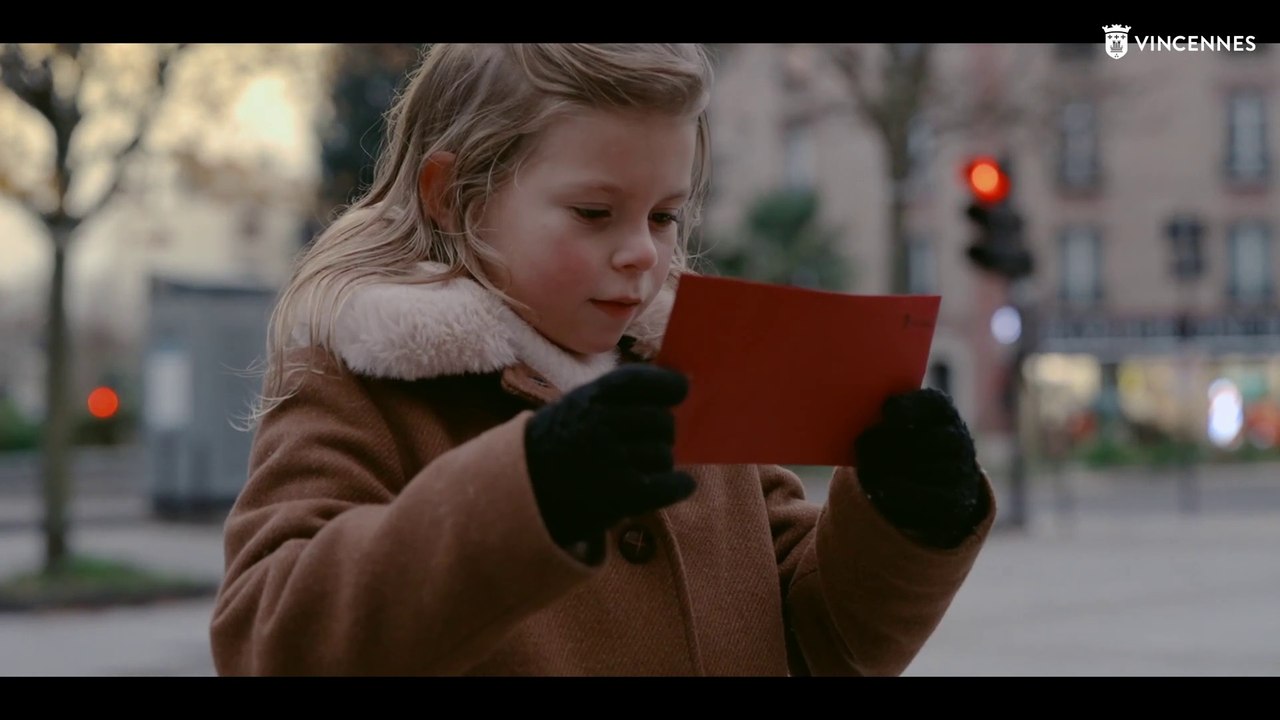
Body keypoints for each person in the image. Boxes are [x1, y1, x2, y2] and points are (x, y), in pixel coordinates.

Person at [209, 43, 996, 677]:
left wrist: (906, 519)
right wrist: (531, 489)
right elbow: (267, 640)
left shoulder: (693, 370)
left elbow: (817, 640)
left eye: (664, 216)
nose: (642, 253)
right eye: (594, 212)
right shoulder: (362, 379)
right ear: (451, 195)